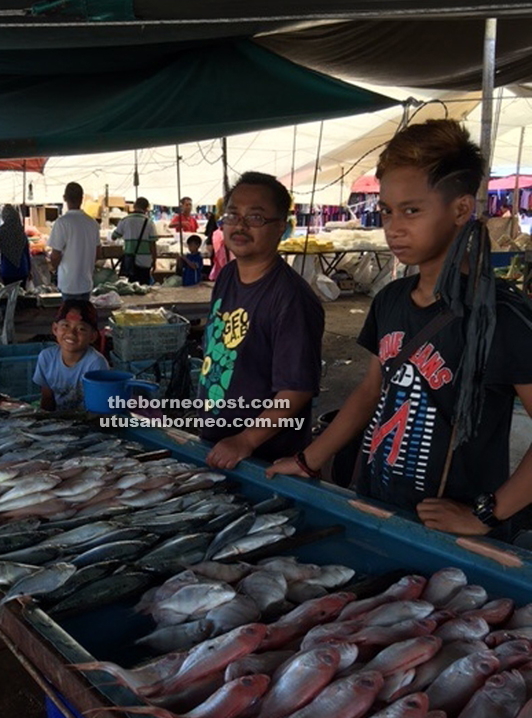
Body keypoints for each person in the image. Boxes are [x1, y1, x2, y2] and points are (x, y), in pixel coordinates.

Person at [267, 119, 532, 541]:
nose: (394, 226)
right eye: (387, 211)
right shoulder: (391, 299)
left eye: (412, 210)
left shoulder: (499, 315)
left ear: (461, 209)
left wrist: (487, 513)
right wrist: (308, 460)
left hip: (452, 533)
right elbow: (371, 391)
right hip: (379, 505)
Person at [199, 171, 324, 469]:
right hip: (219, 444)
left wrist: (246, 440)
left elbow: (297, 389)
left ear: (281, 227)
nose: (240, 225)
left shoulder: (291, 299)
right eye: (232, 214)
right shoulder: (228, 274)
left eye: (255, 218)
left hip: (263, 459)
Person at [32, 299, 108, 411]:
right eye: (65, 325)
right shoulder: (46, 358)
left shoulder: (96, 363)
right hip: (59, 420)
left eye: (81, 329)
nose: (71, 333)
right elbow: (47, 400)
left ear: (92, 336)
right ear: (55, 329)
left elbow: (98, 408)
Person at [48, 182, 101, 301]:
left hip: (68, 284)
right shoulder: (92, 223)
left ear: (64, 198)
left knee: (69, 318)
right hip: (86, 283)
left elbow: (55, 256)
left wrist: (54, 266)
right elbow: (98, 254)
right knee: (83, 318)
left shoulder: (61, 223)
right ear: (82, 199)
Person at [111, 196, 157, 285]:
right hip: (145, 261)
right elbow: (152, 245)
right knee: (144, 288)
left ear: (134, 206)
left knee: (131, 287)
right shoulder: (149, 223)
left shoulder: (125, 220)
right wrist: (154, 261)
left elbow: (114, 237)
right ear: (147, 208)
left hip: (130, 261)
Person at [0, 205, 31, 287]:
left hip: (7, 270)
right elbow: (27, 252)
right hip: (22, 269)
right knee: (22, 296)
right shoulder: (20, 231)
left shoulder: (0, 232)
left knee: (9, 296)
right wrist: (29, 269)